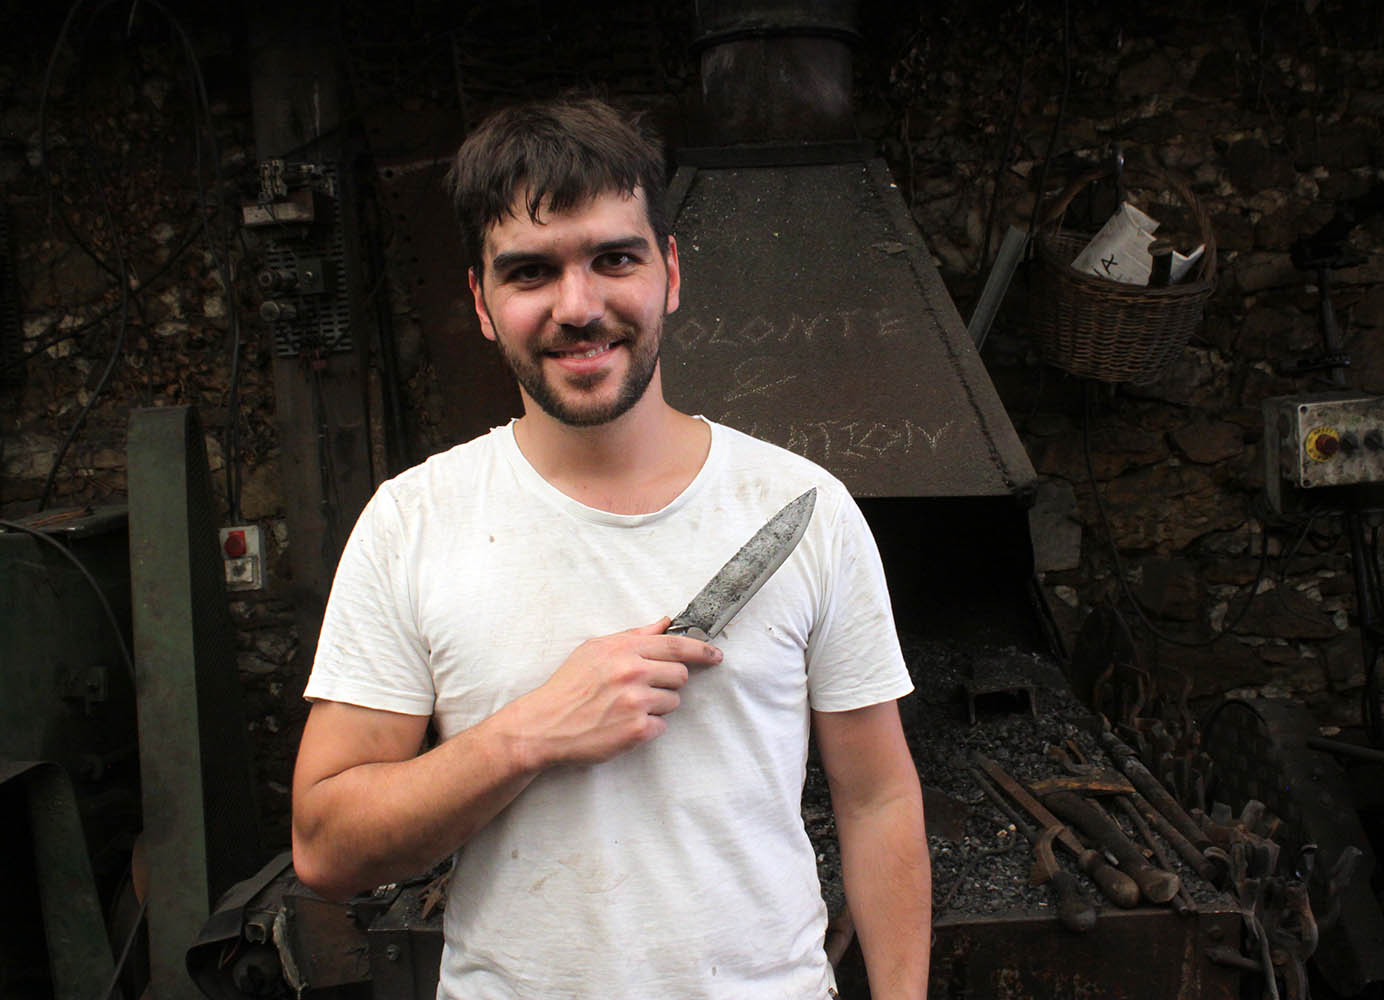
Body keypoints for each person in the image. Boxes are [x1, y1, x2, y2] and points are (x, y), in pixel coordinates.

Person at [291, 96, 930, 1000]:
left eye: (614, 259)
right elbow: (326, 849)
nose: (579, 306)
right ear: (481, 303)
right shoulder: (412, 523)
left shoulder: (804, 509)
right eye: (530, 272)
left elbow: (877, 800)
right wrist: (529, 734)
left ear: (670, 272)